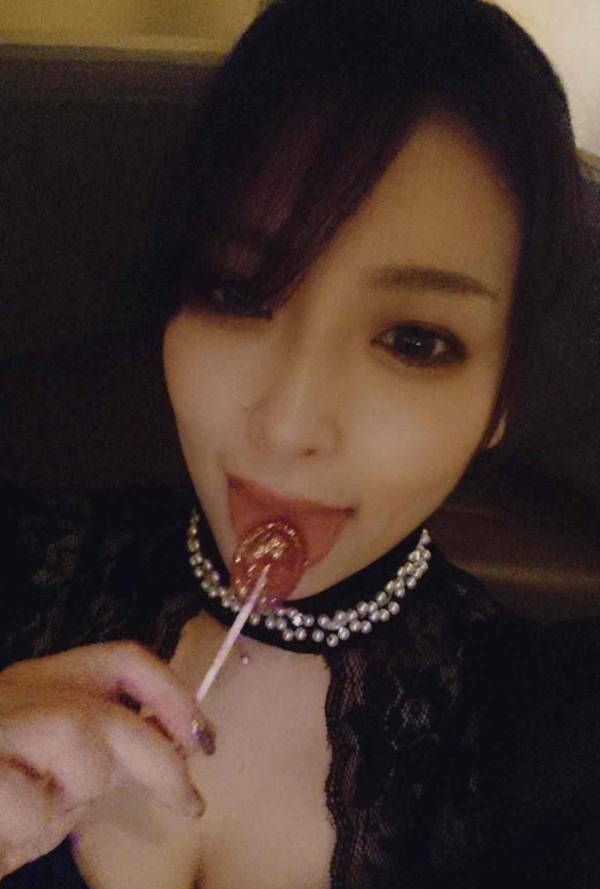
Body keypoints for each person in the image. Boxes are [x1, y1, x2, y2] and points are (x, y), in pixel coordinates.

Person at [1, 0, 599, 886]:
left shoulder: (561, 743)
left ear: (501, 397)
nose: (285, 427)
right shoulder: (18, 557)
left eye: (414, 340)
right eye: (238, 293)